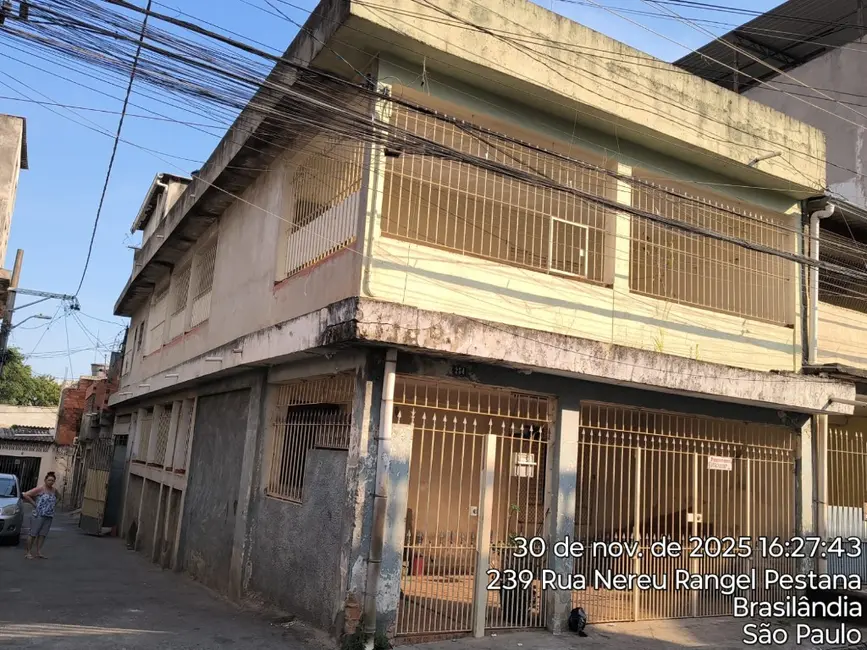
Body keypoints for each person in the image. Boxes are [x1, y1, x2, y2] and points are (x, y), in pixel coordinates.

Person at [22, 471, 58, 560]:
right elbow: (26, 494)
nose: (51, 482)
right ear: (45, 480)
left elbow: (59, 497)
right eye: (49, 480)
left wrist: (53, 505)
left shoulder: (54, 490)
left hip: (49, 516)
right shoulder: (40, 489)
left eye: (52, 480)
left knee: (42, 534)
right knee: (33, 533)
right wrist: (34, 504)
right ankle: (28, 552)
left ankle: (38, 552)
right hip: (38, 515)